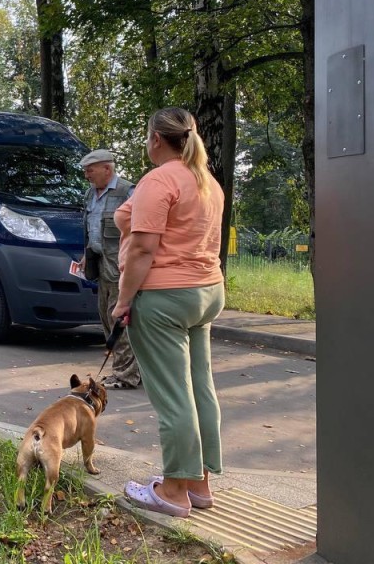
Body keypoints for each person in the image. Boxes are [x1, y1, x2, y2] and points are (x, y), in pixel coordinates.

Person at [111, 107, 225, 519]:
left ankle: (173, 490)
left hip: (165, 297)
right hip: (207, 291)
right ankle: (200, 483)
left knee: (174, 396)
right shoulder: (206, 181)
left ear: (156, 139)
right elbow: (128, 218)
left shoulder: (158, 179)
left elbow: (142, 249)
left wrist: (123, 301)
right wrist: (128, 212)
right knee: (199, 387)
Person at [80, 149, 138, 389]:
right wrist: (86, 255)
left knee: (119, 320)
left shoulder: (128, 191)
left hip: (122, 268)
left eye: (90, 170)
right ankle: (122, 369)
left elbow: (139, 232)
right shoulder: (90, 194)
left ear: (107, 169)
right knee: (106, 317)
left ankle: (127, 376)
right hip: (101, 265)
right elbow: (90, 227)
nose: (86, 175)